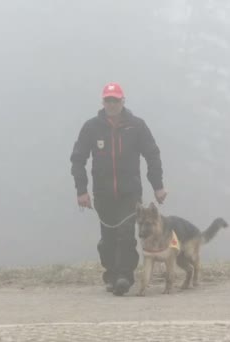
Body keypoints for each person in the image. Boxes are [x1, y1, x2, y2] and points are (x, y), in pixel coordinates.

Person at [70, 82, 167, 296]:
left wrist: (158, 186)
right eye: (108, 100)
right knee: (108, 237)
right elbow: (78, 160)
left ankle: (124, 277)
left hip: (129, 192)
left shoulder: (137, 126)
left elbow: (152, 155)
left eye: (115, 100)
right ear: (102, 102)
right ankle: (111, 276)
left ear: (123, 101)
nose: (112, 104)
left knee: (126, 234)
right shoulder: (91, 127)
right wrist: (81, 190)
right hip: (103, 193)